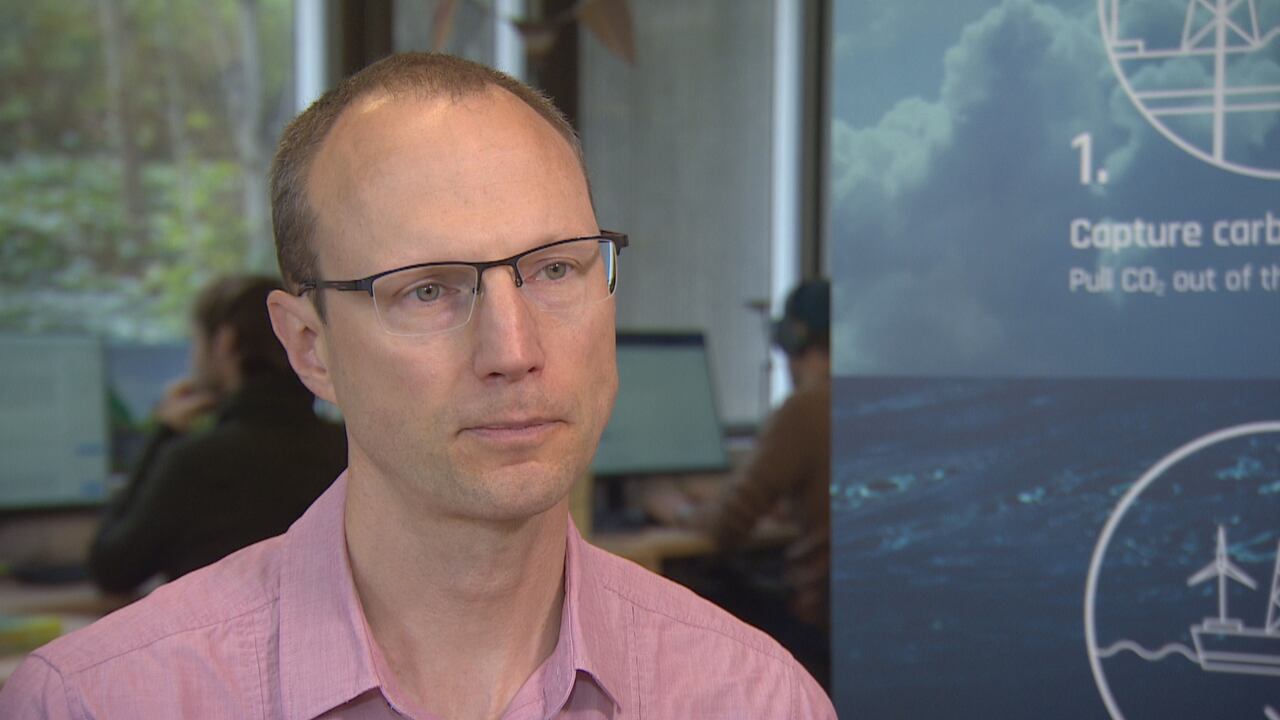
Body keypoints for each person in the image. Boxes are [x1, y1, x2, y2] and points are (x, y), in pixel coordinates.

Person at [0, 54, 835, 718]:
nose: (513, 350)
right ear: (308, 346)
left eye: (554, 268)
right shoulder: (96, 702)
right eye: (427, 289)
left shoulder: (755, 698)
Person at [88, 274, 347, 593]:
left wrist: (162, 434)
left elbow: (111, 570)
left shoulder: (194, 462)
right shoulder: (347, 449)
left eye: (195, 342)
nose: (192, 360)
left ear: (226, 341)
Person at [646, 279, 832, 687]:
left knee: (690, 599)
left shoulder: (808, 408)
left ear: (794, 339)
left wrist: (673, 508)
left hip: (813, 632)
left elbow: (729, 525)